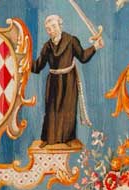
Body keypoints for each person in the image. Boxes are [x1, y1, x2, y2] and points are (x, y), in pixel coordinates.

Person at [31, 13, 102, 148]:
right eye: (48, 29)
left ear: (60, 25)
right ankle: (49, 138)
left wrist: (95, 47)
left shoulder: (71, 41)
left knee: (68, 109)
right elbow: (38, 66)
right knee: (51, 109)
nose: (51, 30)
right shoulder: (47, 46)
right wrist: (24, 61)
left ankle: (68, 138)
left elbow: (83, 57)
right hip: (53, 81)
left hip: (69, 80)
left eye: (54, 26)